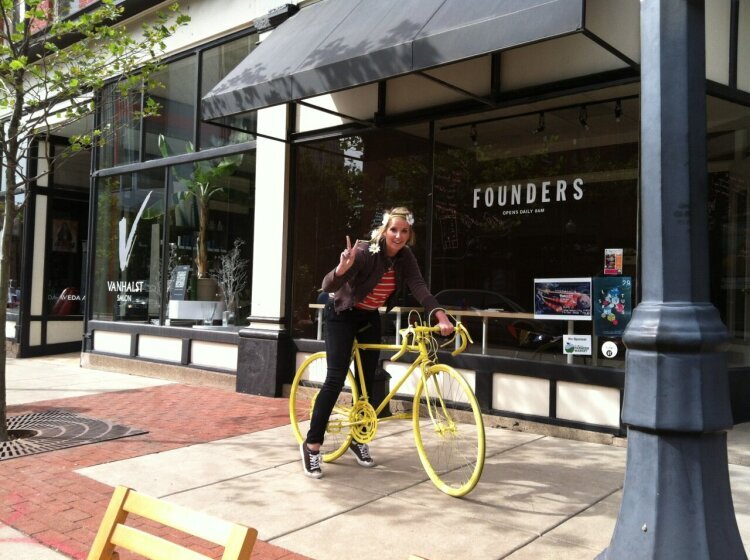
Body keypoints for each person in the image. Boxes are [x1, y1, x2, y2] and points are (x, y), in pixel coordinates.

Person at [300, 207, 454, 478]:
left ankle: (359, 440)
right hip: (342, 314)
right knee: (335, 379)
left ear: (410, 234)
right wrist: (341, 268)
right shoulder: (364, 252)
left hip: (369, 316)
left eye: (404, 231)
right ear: (384, 230)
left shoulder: (405, 258)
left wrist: (441, 315)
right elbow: (327, 286)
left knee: (368, 382)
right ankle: (312, 446)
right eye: (393, 229)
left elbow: (419, 287)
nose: (398, 235)